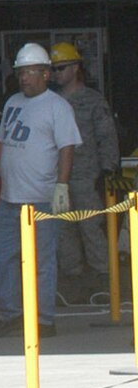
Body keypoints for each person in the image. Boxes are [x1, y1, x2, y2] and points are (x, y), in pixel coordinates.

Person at [0, 42, 80, 338]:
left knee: (42, 262)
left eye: (31, 72)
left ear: (46, 74)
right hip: (10, 200)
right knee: (2, 258)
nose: (24, 78)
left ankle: (44, 320)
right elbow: (1, 141)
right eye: (21, 72)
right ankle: (12, 315)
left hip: (41, 200)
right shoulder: (13, 103)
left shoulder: (57, 107)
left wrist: (62, 184)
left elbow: (67, 148)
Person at [51, 41, 121, 297]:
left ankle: (104, 280)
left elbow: (107, 137)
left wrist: (108, 171)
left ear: (76, 68)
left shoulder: (93, 101)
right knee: (62, 230)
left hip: (87, 176)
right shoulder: (52, 101)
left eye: (61, 68)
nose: (57, 73)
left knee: (92, 228)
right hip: (60, 178)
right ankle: (73, 282)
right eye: (54, 69)